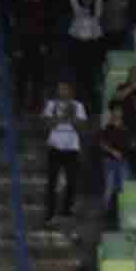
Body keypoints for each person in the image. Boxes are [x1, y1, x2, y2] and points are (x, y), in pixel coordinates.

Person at [42, 82, 87, 224]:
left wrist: (67, 117)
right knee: (52, 183)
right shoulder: (51, 105)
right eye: (59, 89)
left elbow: (81, 125)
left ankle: (66, 210)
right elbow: (48, 123)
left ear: (70, 91)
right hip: (55, 147)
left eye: (65, 89)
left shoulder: (78, 106)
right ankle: (50, 214)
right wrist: (66, 117)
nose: (62, 91)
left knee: (72, 182)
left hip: (72, 148)